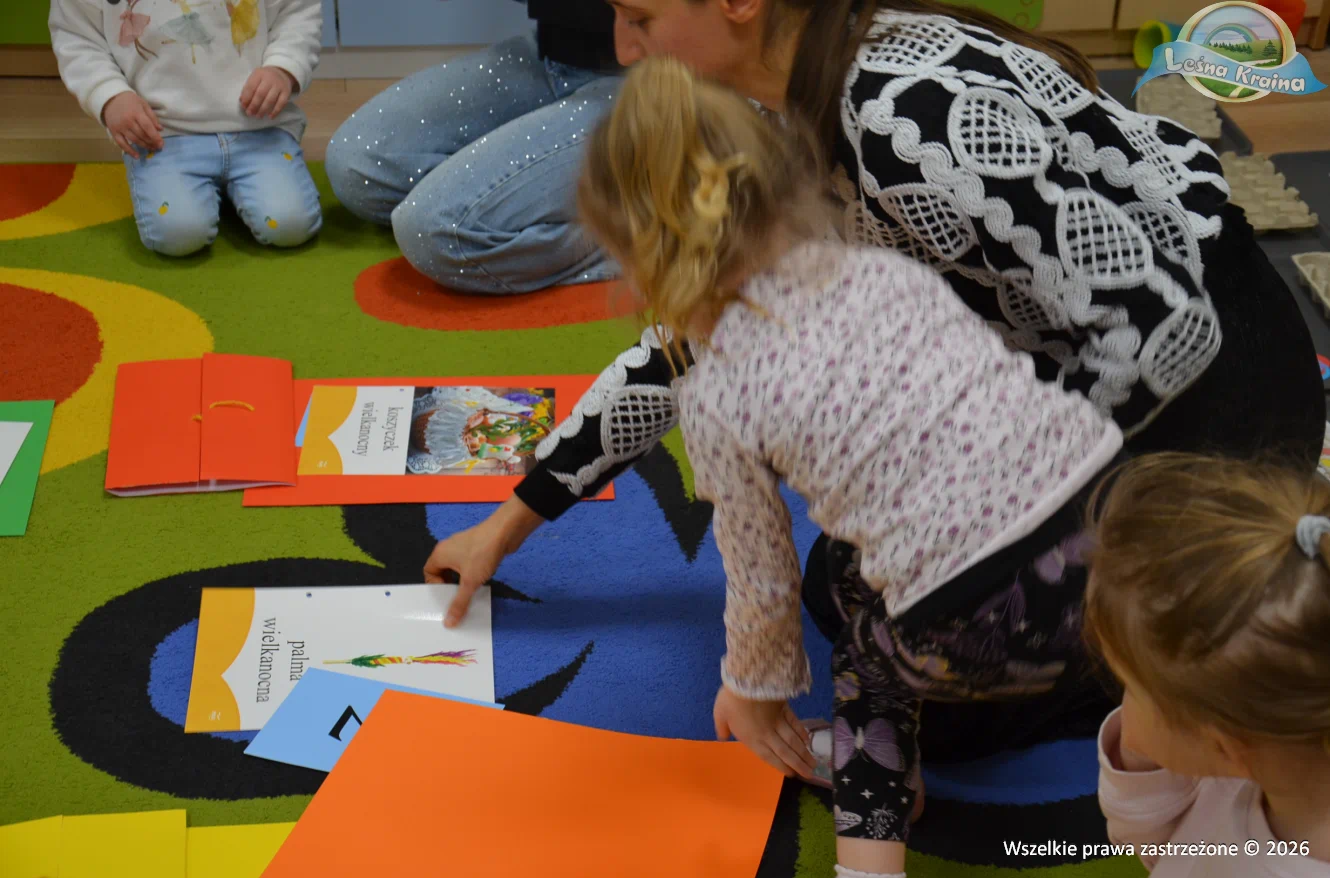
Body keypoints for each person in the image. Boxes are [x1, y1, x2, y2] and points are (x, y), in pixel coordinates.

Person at [424, 0, 1324, 757]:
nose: (625, 49)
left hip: (1211, 386)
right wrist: (512, 520)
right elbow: (696, 346)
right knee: (854, 586)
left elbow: (1166, 324)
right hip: (1085, 365)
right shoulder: (778, 107)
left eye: (641, 17)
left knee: (944, 670)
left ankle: (1204, 633)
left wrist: (1028, 499)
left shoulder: (902, 119)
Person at [447, 56, 1132, 878]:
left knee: (870, 670)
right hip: (1115, 537)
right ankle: (1191, 777)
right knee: (853, 572)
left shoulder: (718, 390)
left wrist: (752, 689)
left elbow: (760, 573)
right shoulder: (884, 272)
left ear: (645, 264)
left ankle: (869, 863)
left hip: (974, 614)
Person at [1084, 452, 1330, 878]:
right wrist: (1139, 768)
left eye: (1131, 687)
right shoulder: (1268, 737)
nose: (1123, 705)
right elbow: (1169, 848)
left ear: (1224, 746)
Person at [326, 1, 621, 294]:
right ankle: (496, 208)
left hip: (636, 77)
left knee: (436, 231)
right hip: (554, 52)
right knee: (356, 163)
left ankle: (639, 232)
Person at [50, 0, 324, 256]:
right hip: (164, 135)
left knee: (291, 225)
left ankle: (226, 191)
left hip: (260, 127)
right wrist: (110, 96)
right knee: (178, 235)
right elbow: (77, 37)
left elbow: (297, 12)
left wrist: (283, 68)